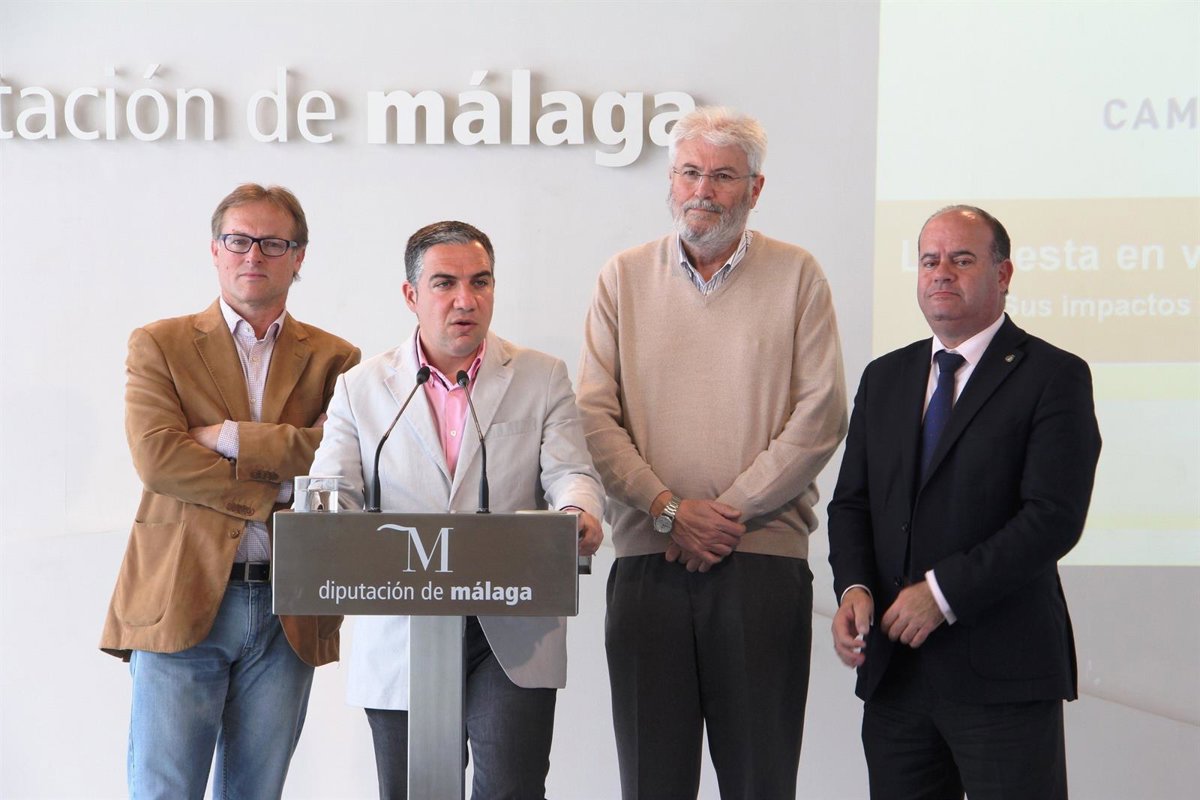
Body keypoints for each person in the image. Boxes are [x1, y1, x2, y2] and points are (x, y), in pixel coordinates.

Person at [575, 106, 848, 799]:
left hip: (760, 564)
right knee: (652, 783)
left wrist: (724, 515)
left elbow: (821, 414)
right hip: (649, 563)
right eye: (690, 172)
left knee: (761, 782)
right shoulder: (621, 277)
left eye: (723, 176)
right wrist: (668, 510)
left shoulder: (799, 275)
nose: (703, 191)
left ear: (755, 188)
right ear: (670, 180)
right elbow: (593, 416)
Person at [308, 220, 604, 800]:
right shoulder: (361, 388)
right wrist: (327, 516)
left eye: (480, 282)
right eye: (445, 283)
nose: (465, 300)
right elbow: (333, 488)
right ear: (411, 294)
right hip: (403, 623)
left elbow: (571, 472)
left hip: (511, 623)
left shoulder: (541, 376)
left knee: (511, 790)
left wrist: (578, 510)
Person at [827, 205, 1102, 800]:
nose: (941, 273)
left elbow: (1052, 517)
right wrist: (853, 588)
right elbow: (851, 504)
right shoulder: (884, 377)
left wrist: (942, 594)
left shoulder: (1053, 375)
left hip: (1003, 675)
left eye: (961, 259)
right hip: (896, 677)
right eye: (930, 261)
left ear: (1003, 274)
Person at [99, 183, 361, 798]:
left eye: (273, 243)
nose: (254, 255)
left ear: (299, 256)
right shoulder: (160, 344)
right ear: (215, 250)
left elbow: (337, 464)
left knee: (256, 793)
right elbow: (160, 460)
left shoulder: (337, 359)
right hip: (180, 593)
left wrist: (228, 437)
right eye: (238, 241)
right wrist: (277, 485)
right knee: (165, 790)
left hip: (288, 604)